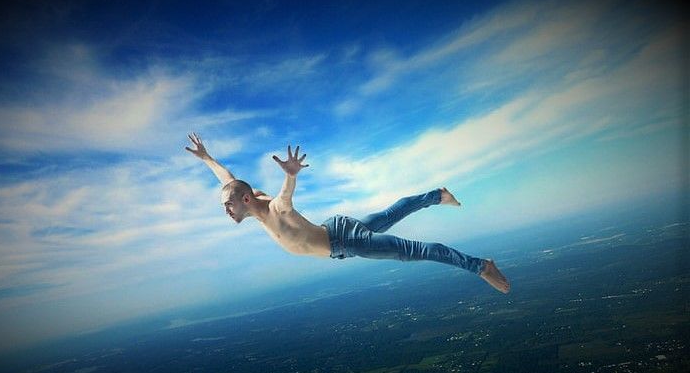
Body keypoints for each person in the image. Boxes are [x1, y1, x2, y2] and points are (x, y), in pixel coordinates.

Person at [186, 133, 510, 293]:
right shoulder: (250, 198)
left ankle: (481, 265)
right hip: (337, 230)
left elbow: (286, 196)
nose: (226, 211)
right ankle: (437, 195)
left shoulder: (273, 209)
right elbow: (227, 178)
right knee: (387, 216)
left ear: (244, 200)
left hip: (346, 242)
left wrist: (291, 173)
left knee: (414, 252)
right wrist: (206, 157)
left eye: (228, 205)